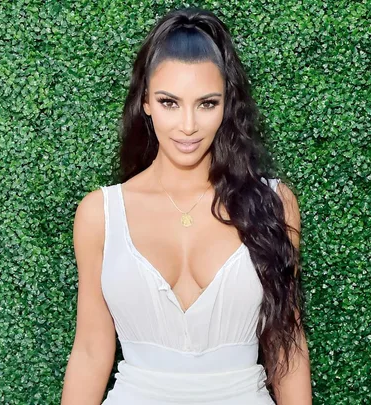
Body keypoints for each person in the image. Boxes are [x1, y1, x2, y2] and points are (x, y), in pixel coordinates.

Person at [61, 6, 312, 405]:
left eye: (207, 103)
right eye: (169, 102)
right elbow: (92, 351)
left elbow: (287, 346)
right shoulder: (101, 214)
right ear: (145, 102)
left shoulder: (274, 204)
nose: (188, 126)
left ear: (227, 104)